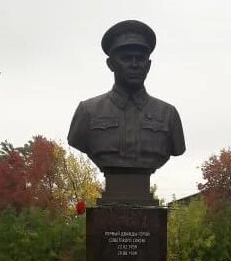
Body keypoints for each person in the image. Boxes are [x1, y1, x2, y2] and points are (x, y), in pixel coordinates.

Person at [67, 19, 186, 174]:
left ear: (148, 66)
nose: (134, 64)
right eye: (126, 58)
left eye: (140, 59)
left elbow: (177, 149)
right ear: (110, 64)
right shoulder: (87, 111)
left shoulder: (168, 114)